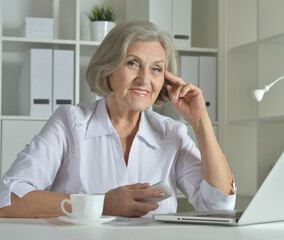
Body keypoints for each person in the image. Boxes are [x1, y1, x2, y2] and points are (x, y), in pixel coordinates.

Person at [0, 20, 236, 218]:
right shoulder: (70, 122)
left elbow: (218, 207)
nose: (144, 79)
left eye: (156, 69)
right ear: (108, 68)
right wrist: (102, 204)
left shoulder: (172, 133)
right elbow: (7, 198)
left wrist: (200, 121)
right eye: (132, 63)